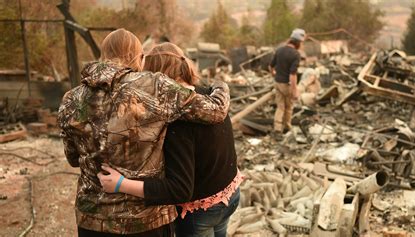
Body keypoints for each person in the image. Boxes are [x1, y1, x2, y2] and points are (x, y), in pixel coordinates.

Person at [57, 29, 230, 237]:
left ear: (102, 56)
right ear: (138, 58)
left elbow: (73, 158)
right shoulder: (154, 86)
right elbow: (216, 111)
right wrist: (220, 85)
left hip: (92, 220)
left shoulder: (70, 99)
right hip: (147, 222)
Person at [97, 42, 242, 237]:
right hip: (231, 195)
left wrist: (121, 184)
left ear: (156, 77)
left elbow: (179, 189)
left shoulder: (177, 122)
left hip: (200, 211)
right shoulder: (208, 97)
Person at [270, 28, 306, 134]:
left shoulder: (279, 50)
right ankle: (286, 127)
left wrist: (274, 74)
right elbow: (293, 75)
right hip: (287, 84)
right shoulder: (295, 54)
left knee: (280, 106)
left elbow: (271, 66)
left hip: (277, 83)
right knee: (289, 107)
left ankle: (277, 128)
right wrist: (295, 91)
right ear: (298, 42)